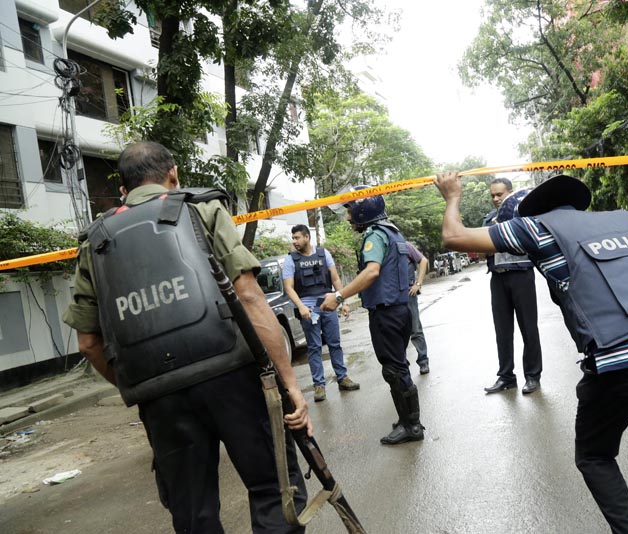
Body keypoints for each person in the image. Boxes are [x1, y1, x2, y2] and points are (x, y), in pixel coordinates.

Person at [434, 171, 628, 534]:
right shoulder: (623, 219)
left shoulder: (533, 227)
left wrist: (452, 196)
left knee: (594, 455)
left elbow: (453, 237)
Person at [62, 141, 310, 534]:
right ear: (173, 174)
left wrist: (145, 384)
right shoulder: (201, 209)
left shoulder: (95, 241)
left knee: (193, 516)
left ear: (123, 190)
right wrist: (289, 384)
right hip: (233, 376)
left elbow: (88, 343)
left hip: (161, 399)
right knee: (272, 491)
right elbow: (249, 297)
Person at [320, 186, 424, 445]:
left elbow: (371, 272)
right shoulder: (394, 233)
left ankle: (411, 427)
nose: (348, 217)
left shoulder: (375, 236)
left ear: (363, 210)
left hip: (386, 314)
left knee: (394, 369)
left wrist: (339, 296)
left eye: (350, 211)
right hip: (400, 311)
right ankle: (407, 420)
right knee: (398, 367)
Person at [283, 224, 360, 402]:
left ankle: (342, 378)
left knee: (334, 343)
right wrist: (301, 306)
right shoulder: (290, 260)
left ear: (307, 237)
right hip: (308, 308)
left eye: (297, 237)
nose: (294, 241)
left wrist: (343, 302)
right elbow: (289, 287)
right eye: (293, 238)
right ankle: (319, 385)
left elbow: (335, 278)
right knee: (314, 347)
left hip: (328, 302)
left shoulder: (324, 254)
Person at [482, 177, 543, 395]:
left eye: (500, 194)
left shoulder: (523, 216)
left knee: (528, 327)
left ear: (510, 192)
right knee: (502, 330)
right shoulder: (489, 219)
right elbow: (482, 249)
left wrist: (498, 240)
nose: (496, 199)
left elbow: (532, 241)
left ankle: (533, 376)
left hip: (522, 276)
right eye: (493, 195)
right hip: (498, 278)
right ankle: (506, 376)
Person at [406, 241, 430, 375]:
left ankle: (423, 361)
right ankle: (403, 366)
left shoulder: (405, 246)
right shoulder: (383, 248)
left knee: (415, 329)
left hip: (409, 293)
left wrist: (418, 284)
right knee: (398, 332)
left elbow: (423, 260)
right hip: (392, 296)